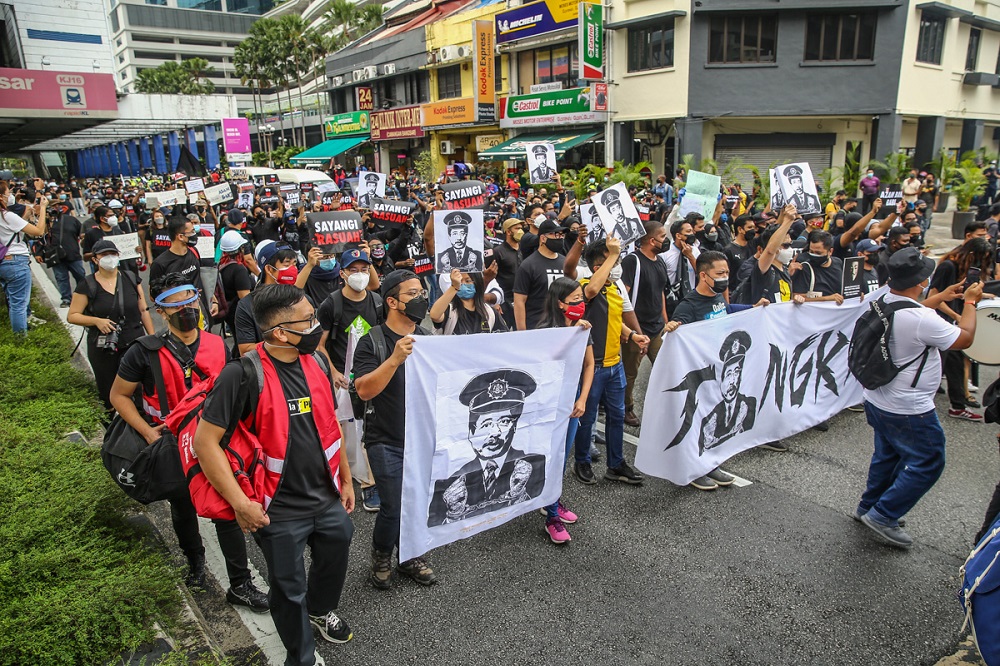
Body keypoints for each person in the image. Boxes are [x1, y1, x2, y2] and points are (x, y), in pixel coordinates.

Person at [194, 283, 356, 664]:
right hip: (275, 508)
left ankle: (319, 609)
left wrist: (345, 478)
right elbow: (206, 444)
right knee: (288, 588)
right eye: (309, 320)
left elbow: (330, 423)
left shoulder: (315, 361)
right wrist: (240, 503)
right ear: (281, 332)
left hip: (326, 495)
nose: (317, 326)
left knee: (338, 549)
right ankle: (300, 656)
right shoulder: (241, 375)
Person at [109, 272, 268, 612]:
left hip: (215, 441)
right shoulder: (144, 352)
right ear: (160, 312)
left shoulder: (217, 345)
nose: (185, 309)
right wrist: (148, 431)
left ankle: (239, 583)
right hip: (172, 444)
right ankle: (195, 560)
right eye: (174, 304)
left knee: (226, 507)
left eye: (189, 300)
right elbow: (119, 396)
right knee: (183, 506)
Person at [855, 247, 982, 549]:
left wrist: (943, 296)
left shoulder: (885, 300)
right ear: (921, 281)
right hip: (908, 408)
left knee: (888, 456)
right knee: (929, 460)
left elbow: (912, 310)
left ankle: (868, 506)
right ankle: (883, 515)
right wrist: (971, 303)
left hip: (877, 398)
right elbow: (965, 338)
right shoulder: (922, 318)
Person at [353, 270, 436, 590]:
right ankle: (382, 556)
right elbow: (363, 390)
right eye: (412, 294)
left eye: (421, 293)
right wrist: (395, 359)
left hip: (421, 438)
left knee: (417, 501)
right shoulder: (372, 340)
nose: (421, 299)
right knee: (393, 504)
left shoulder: (428, 339)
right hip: (385, 438)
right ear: (391, 302)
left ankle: (410, 556)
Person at [663, 251, 767, 489]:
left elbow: (727, 311)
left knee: (712, 424)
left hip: (719, 373)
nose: (725, 278)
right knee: (696, 423)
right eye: (719, 274)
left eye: (727, 273)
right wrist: (672, 328)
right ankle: (692, 470)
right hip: (700, 378)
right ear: (703, 275)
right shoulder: (688, 306)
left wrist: (752, 307)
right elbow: (676, 341)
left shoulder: (718, 297)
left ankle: (709, 465)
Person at [572, 236, 647, 486]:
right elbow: (591, 291)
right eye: (612, 262)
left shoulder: (615, 288)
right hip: (593, 367)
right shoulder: (585, 286)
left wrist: (632, 335)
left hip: (615, 365)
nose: (617, 267)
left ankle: (616, 464)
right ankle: (581, 461)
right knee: (587, 416)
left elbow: (615, 320)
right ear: (598, 267)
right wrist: (613, 254)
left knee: (617, 416)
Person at [316, 247, 385, 513]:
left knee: (369, 425)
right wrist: (333, 371)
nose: (359, 275)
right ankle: (344, 477)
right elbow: (319, 345)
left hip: (369, 374)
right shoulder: (331, 304)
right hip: (341, 379)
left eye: (364, 269)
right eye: (353, 270)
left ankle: (370, 483)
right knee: (345, 429)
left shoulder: (377, 302)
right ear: (342, 273)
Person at [528, 277, 595, 543]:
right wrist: (571, 334)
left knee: (562, 458)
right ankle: (552, 518)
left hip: (571, 405)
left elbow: (589, 365)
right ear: (560, 303)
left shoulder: (583, 330)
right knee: (551, 459)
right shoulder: (545, 330)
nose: (580, 303)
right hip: (547, 409)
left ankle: (552, 500)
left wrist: (583, 399)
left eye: (582, 299)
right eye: (575, 300)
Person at [67, 240, 154, 417]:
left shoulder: (130, 278)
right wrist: (96, 321)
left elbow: (143, 310)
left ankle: (142, 424)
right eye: (104, 255)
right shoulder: (88, 285)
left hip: (134, 340)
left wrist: (152, 338)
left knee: (140, 386)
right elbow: (73, 315)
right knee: (108, 389)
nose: (110, 258)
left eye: (113, 254)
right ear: (95, 260)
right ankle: (113, 426)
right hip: (104, 346)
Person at [927, 237, 994, 421]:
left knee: (955, 362)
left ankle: (957, 405)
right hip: (941, 321)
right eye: (980, 257)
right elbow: (934, 297)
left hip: (952, 323)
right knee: (936, 366)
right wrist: (956, 316)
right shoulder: (948, 266)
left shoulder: (962, 268)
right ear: (971, 254)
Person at [619, 221, 669, 427]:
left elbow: (661, 292)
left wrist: (665, 320)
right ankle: (626, 408)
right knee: (631, 373)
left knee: (665, 367)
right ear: (651, 240)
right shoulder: (633, 262)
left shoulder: (660, 261)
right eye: (663, 237)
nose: (666, 241)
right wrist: (632, 332)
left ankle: (665, 406)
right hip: (636, 328)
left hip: (657, 328)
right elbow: (623, 297)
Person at [0, 182, 48, 333]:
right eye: (8, 194)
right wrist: (44, 208)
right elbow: (38, 231)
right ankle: (21, 339)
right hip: (15, 261)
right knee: (19, 305)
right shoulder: (7, 216)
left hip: (2, 262)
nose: (11, 197)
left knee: (13, 301)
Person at [150, 216, 216, 317]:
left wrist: (214, 300)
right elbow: (153, 295)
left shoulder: (194, 252)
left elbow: (201, 279)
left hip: (202, 310)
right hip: (181, 317)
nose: (195, 234)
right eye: (192, 232)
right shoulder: (160, 264)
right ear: (180, 236)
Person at [513, 219, 566, 330]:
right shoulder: (528, 265)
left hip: (562, 327)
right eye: (556, 234)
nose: (560, 238)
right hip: (536, 327)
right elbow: (519, 301)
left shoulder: (565, 262)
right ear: (543, 238)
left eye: (561, 235)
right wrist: (522, 332)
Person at [430, 268, 507, 335]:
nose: (463, 284)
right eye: (460, 281)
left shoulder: (490, 313)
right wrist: (454, 287)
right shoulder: (450, 311)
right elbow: (434, 315)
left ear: (477, 283)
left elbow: (502, 338)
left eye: (468, 281)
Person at [45, 208, 86, 308]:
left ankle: (84, 296)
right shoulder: (44, 222)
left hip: (73, 254)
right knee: (61, 278)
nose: (53, 210)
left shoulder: (71, 220)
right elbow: (40, 237)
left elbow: (81, 234)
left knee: (81, 276)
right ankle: (66, 298)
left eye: (56, 207)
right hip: (56, 256)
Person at [217, 230, 255, 337]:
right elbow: (245, 298)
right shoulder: (239, 269)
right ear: (240, 249)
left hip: (229, 313)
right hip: (239, 314)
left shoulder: (222, 264)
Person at [493, 218, 523, 328]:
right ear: (508, 232)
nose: (520, 231)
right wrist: (495, 301)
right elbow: (491, 276)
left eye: (521, 228)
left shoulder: (524, 249)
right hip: (504, 300)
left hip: (521, 299)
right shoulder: (498, 251)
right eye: (517, 228)